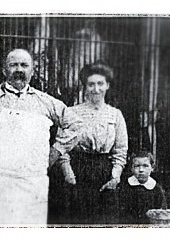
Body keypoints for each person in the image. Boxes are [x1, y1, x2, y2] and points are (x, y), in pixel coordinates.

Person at [0, 49, 83, 225]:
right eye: (13, 65)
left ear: (33, 70)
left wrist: (55, 152)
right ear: (4, 70)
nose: (19, 69)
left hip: (33, 183)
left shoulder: (45, 102)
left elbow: (76, 125)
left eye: (24, 65)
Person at [52, 61, 128, 225]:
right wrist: (68, 172)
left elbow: (121, 151)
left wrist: (115, 177)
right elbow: (62, 147)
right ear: (85, 87)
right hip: (78, 171)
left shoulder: (115, 115)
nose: (96, 89)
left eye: (100, 84)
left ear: (107, 85)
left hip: (105, 172)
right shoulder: (72, 112)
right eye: (91, 84)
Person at [118, 151, 167, 224]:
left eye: (145, 166)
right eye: (137, 166)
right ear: (131, 168)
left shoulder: (156, 189)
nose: (141, 170)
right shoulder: (125, 186)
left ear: (152, 167)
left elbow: (162, 212)